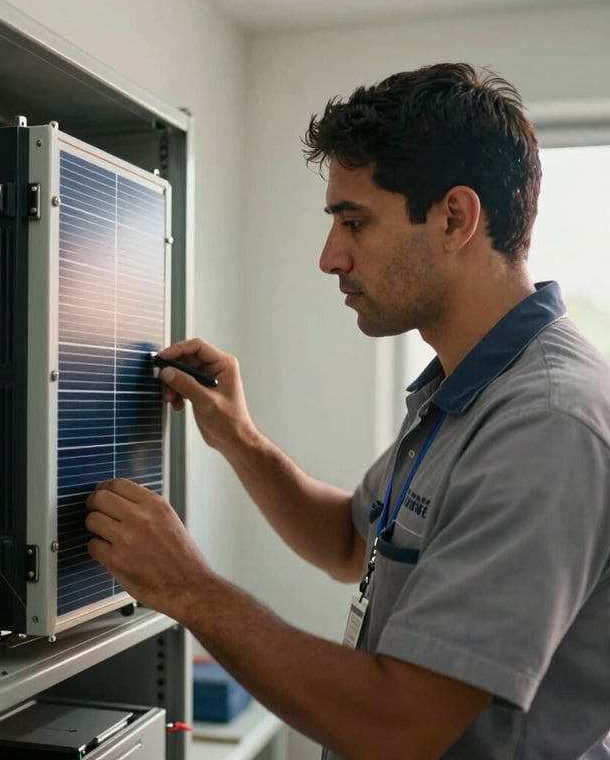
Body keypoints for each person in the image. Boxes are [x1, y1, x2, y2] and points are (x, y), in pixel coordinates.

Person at [84, 63, 610, 759]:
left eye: (354, 221)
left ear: (456, 218)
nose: (331, 258)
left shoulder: (543, 423)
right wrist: (240, 439)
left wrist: (189, 589)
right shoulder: (464, 391)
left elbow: (402, 723)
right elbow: (350, 543)